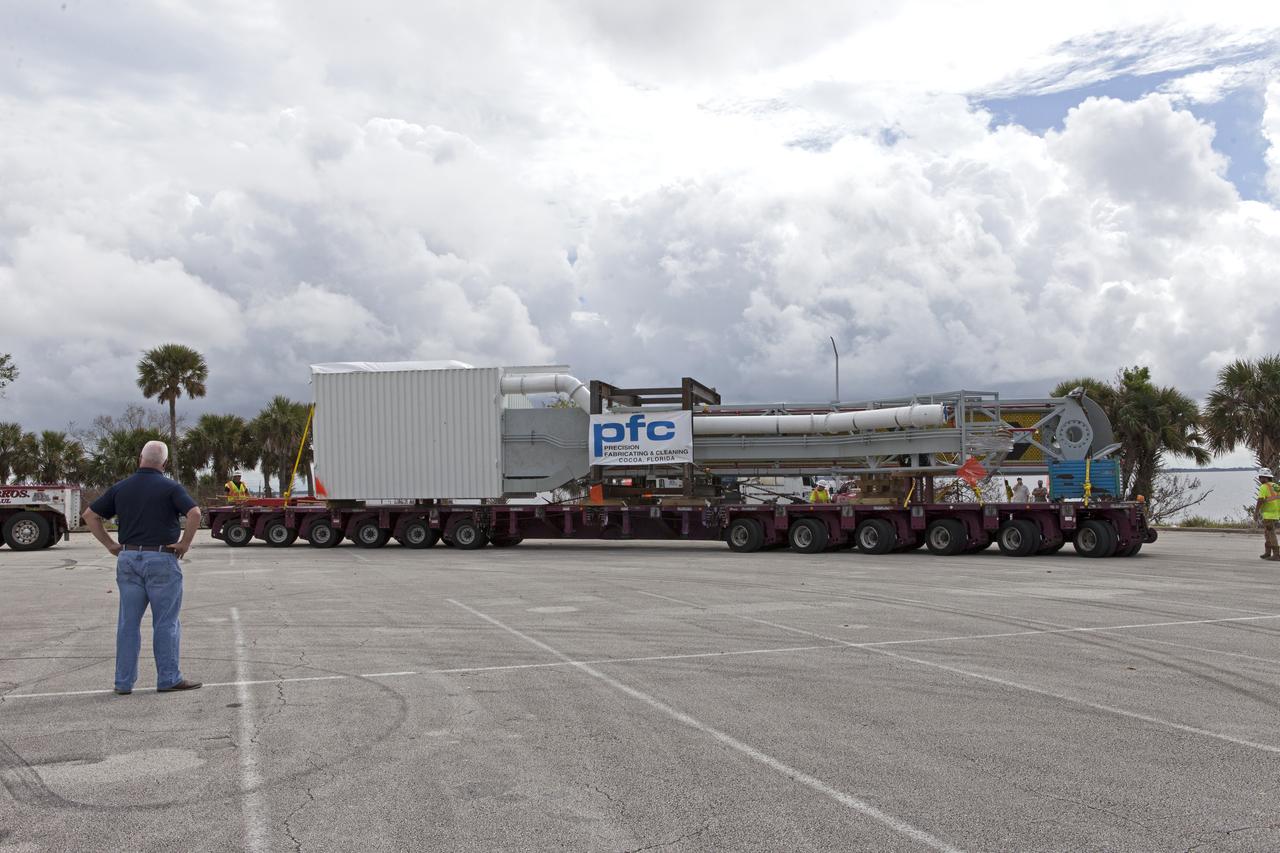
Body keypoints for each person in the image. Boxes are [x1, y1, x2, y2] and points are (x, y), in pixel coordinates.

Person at [82, 441, 203, 695]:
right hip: (161, 558)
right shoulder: (171, 488)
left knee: (128, 622)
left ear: (140, 458)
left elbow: (90, 515)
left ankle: (123, 682)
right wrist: (184, 543)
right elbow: (194, 514)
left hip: (128, 557)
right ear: (165, 463)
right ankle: (168, 677)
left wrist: (110, 545)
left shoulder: (121, 487)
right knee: (166, 622)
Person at [1256, 468, 1280, 561]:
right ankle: (1268, 552)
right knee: (1267, 533)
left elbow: (1260, 500)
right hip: (1276, 513)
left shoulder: (1263, 487)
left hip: (1268, 514)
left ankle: (1276, 554)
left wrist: (1256, 512)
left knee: (1271, 533)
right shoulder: (1276, 486)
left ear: (1264, 478)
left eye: (1260, 477)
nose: (1259, 479)